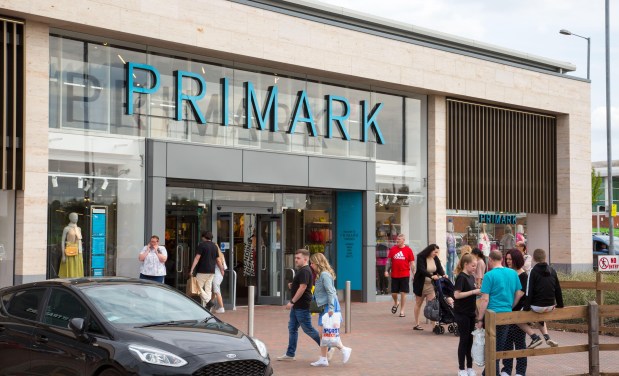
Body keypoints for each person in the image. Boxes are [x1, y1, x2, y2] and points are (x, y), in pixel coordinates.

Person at [476, 250, 524, 376]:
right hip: (506, 314)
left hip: (492, 315)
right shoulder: (513, 273)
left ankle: (493, 373)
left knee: (492, 348)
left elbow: (485, 299)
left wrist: (480, 318)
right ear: (502, 260)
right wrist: (510, 305)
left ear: (490, 260)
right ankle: (488, 372)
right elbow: (519, 293)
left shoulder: (489, 275)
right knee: (499, 345)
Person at [308, 252, 352, 367]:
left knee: (325, 333)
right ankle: (324, 358)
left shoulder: (324, 275)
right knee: (324, 334)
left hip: (329, 306)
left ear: (317, 263)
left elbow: (331, 292)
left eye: (312, 263)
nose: (311, 265)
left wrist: (331, 308)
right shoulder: (320, 274)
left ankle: (343, 349)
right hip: (324, 306)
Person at [278, 249, 321, 361]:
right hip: (298, 306)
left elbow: (303, 288)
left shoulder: (305, 271)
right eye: (295, 258)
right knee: (292, 328)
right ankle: (290, 354)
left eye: (298, 258)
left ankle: (328, 348)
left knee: (308, 329)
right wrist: (294, 285)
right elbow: (302, 285)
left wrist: (292, 302)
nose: (296, 260)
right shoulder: (302, 270)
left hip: (302, 306)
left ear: (305, 259)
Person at [519, 248, 564, 349]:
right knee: (540, 316)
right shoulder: (552, 270)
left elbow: (528, 292)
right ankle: (547, 337)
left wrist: (526, 309)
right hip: (551, 306)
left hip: (537, 306)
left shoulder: (533, 271)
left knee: (517, 318)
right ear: (545, 257)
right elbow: (558, 289)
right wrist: (560, 305)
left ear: (534, 259)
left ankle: (534, 337)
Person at [501, 249, 528, 376]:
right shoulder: (507, 273)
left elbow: (519, 295)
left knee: (520, 343)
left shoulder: (523, 276)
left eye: (510, 259)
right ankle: (506, 369)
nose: (508, 261)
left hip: (517, 313)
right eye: (507, 259)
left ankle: (520, 371)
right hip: (506, 313)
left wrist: (509, 307)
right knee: (506, 343)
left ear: (517, 259)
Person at [453, 254, 481, 376]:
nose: (475, 268)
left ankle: (469, 367)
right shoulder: (461, 277)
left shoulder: (471, 277)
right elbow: (457, 295)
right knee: (464, 339)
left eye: (476, 265)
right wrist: (473, 291)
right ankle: (461, 368)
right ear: (466, 264)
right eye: (473, 265)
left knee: (470, 340)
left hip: (470, 313)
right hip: (462, 313)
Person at [412, 243, 446, 330]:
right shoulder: (421, 257)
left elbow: (439, 268)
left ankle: (434, 325)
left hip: (430, 285)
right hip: (420, 285)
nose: (436, 254)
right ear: (430, 251)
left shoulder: (435, 258)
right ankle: (417, 324)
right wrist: (431, 276)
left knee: (433, 304)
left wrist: (443, 274)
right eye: (435, 252)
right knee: (418, 303)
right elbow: (421, 269)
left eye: (437, 252)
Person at [190, 231, 224, 309]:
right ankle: (208, 307)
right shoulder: (215, 246)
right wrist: (222, 269)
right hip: (212, 271)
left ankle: (208, 302)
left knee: (197, 287)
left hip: (202, 270)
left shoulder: (202, 245)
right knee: (208, 288)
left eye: (202, 237)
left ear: (204, 237)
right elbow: (218, 260)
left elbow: (197, 258)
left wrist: (192, 269)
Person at [384, 233, 415, 317]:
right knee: (394, 293)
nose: (397, 241)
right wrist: (386, 270)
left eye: (399, 239)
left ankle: (402, 311)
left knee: (403, 293)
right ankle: (396, 302)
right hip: (394, 274)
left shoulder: (408, 250)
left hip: (405, 274)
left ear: (403, 240)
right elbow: (389, 261)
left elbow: (412, 263)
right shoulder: (393, 249)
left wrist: (414, 273)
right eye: (397, 239)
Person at [59, 212, 85, 278]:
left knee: (77, 268)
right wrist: (63, 255)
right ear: (70, 218)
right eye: (74, 217)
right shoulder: (66, 228)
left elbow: (79, 240)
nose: (76, 218)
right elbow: (62, 241)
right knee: (70, 267)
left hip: (78, 252)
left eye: (77, 217)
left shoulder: (79, 229)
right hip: (69, 252)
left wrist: (81, 251)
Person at [212, 244, 227, 313]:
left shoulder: (216, 255)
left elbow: (218, 261)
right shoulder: (222, 255)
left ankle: (221, 307)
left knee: (217, 291)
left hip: (216, 275)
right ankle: (210, 306)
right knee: (214, 291)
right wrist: (222, 270)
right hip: (219, 275)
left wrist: (221, 269)